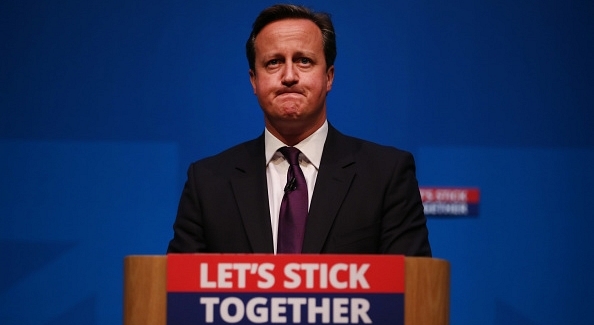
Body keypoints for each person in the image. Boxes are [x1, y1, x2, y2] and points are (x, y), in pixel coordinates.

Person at [167, 4, 431, 256]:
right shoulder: (208, 183)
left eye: (304, 61)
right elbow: (179, 292)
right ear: (254, 81)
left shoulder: (386, 175)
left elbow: (412, 290)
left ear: (328, 77)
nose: (289, 75)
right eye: (273, 62)